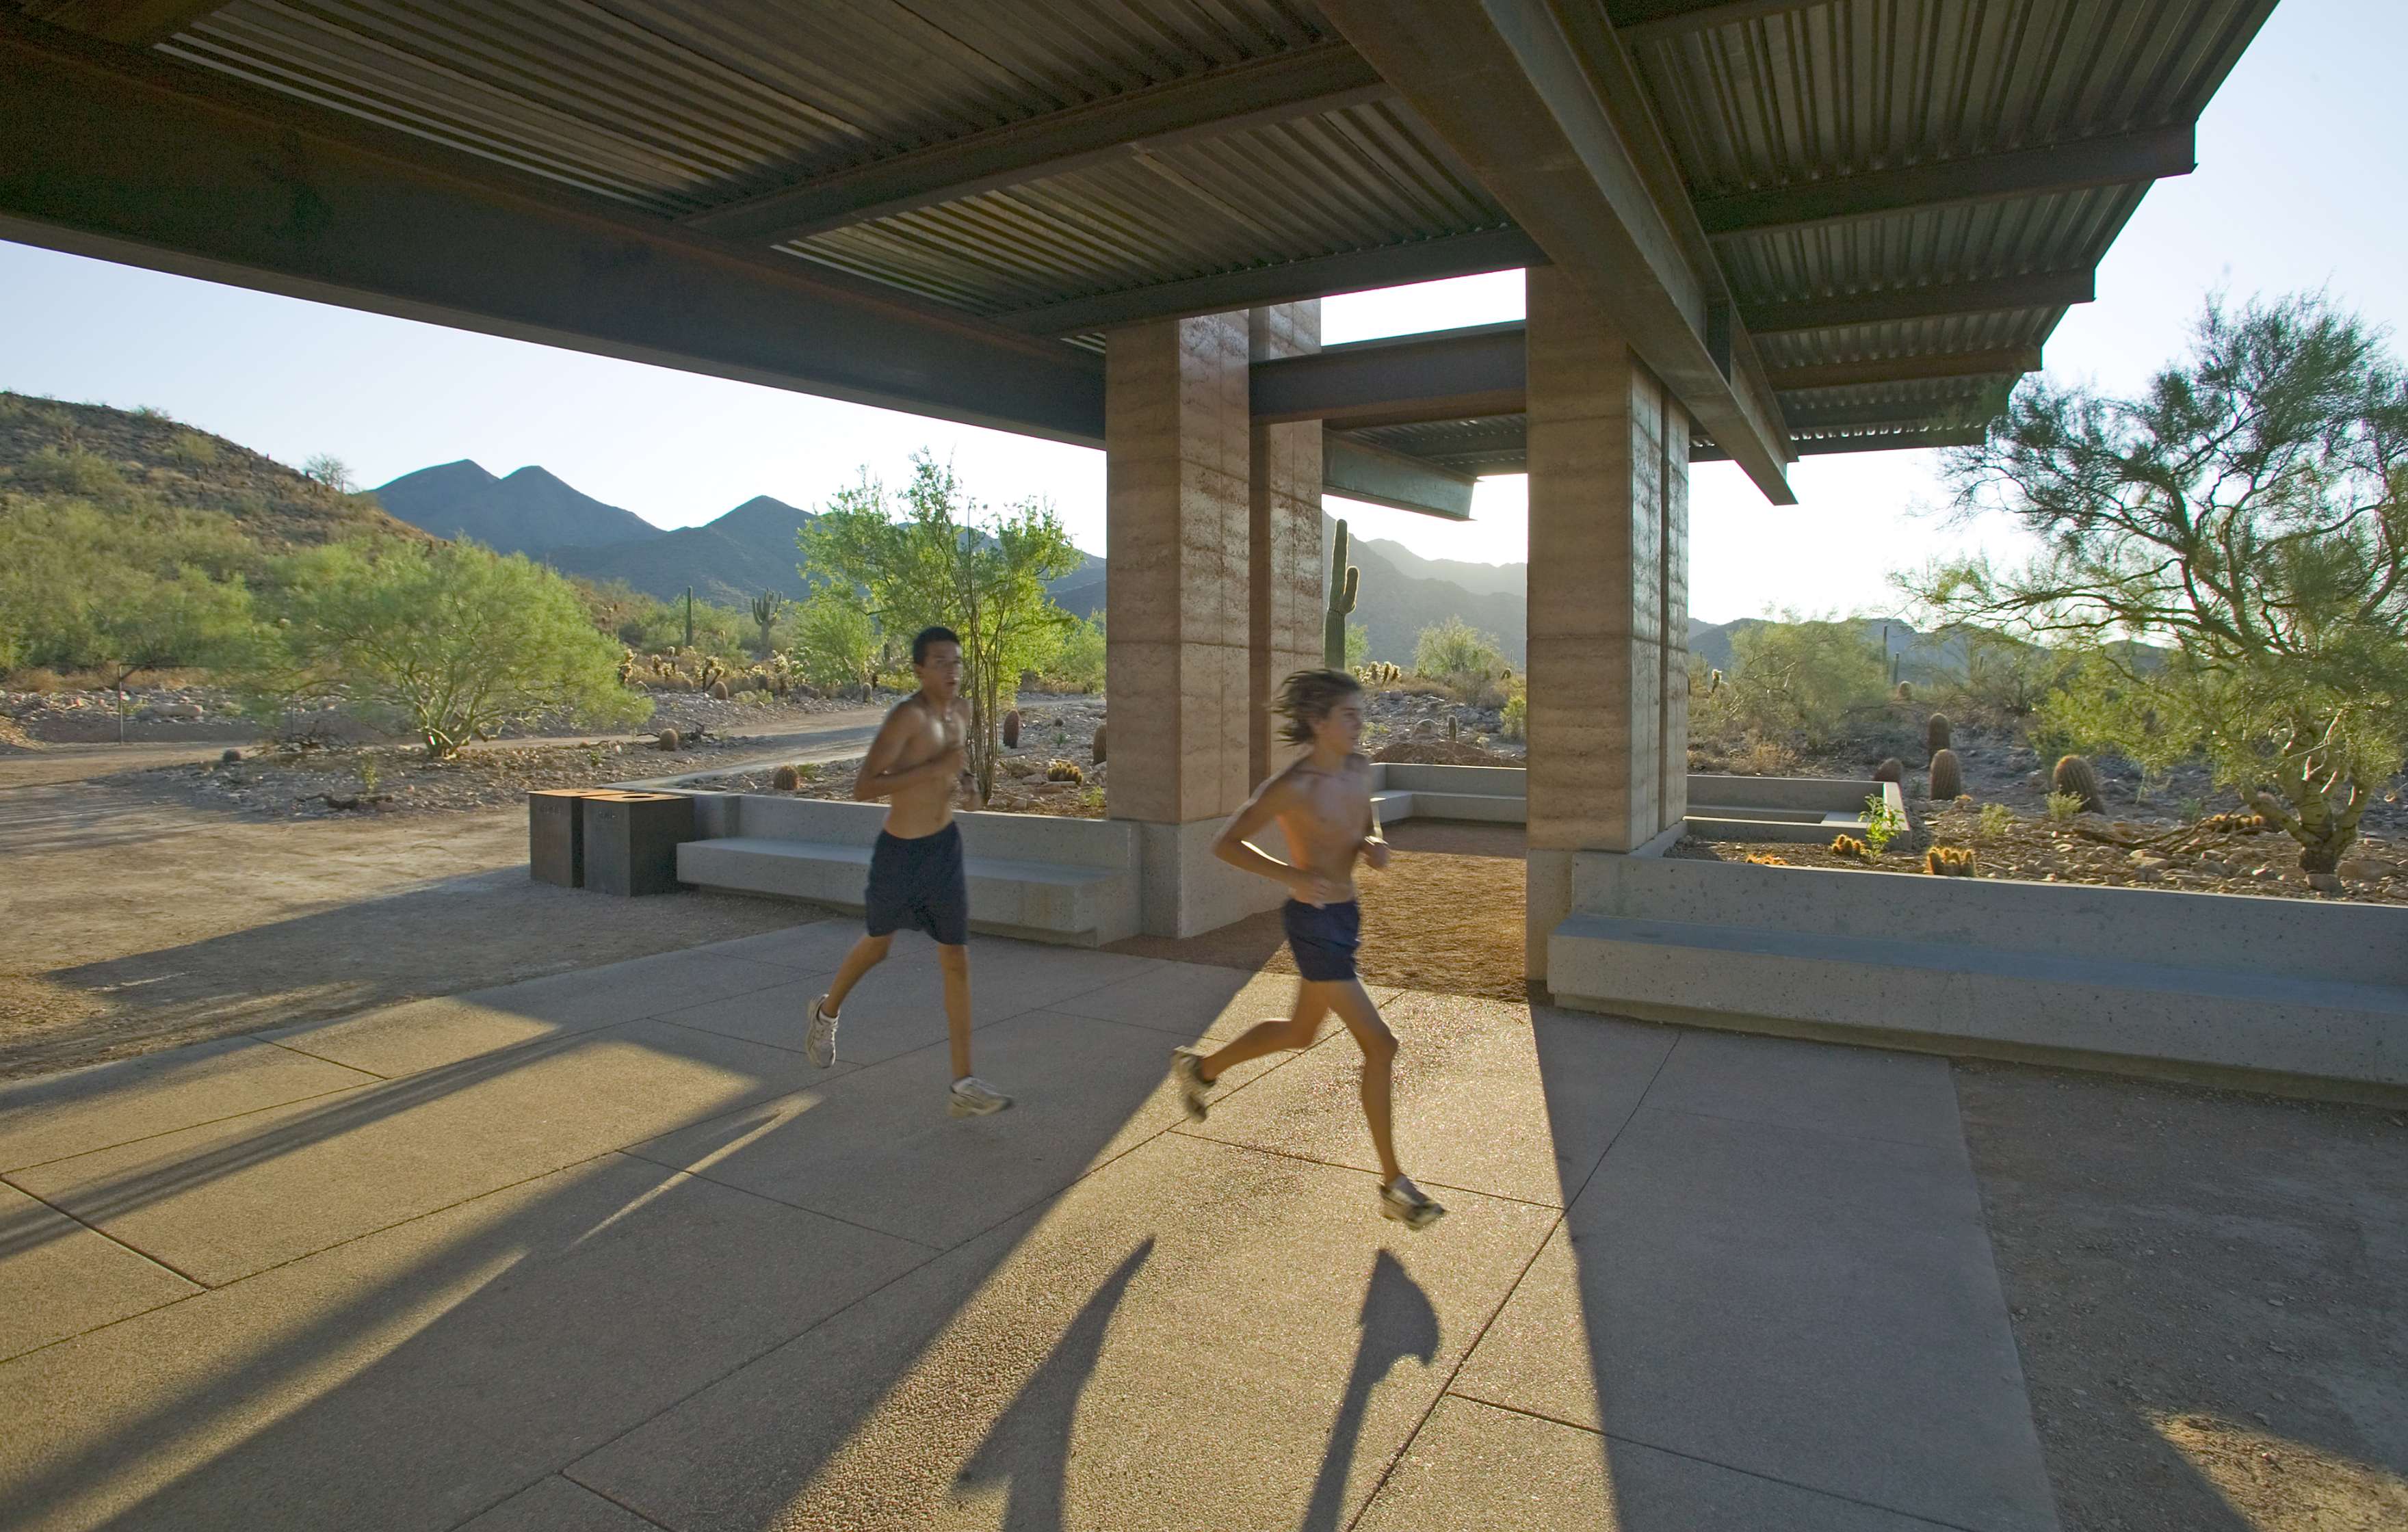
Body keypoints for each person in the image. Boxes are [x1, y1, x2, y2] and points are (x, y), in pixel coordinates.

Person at [1167, 668, 1443, 1228]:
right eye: (1349, 715)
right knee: (1381, 1046)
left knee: (1299, 1033)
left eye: (1360, 713)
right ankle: (1394, 1185)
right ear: (1319, 723)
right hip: (1313, 922)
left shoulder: (1360, 769)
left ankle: (1201, 1069)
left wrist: (1373, 843)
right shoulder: (1292, 787)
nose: (1360, 723)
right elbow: (1226, 843)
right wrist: (1290, 873)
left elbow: (1366, 819)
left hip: (1346, 913)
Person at [807, 625, 1010, 1117]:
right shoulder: (905, 718)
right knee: (878, 947)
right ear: (919, 669)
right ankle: (826, 1011)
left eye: (956, 662)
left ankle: (963, 1084)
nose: (952, 671)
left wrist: (967, 786)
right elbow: (864, 786)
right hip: (900, 854)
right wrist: (935, 771)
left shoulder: (961, 713)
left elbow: (955, 770)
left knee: (956, 960)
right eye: (940, 662)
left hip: (943, 850)